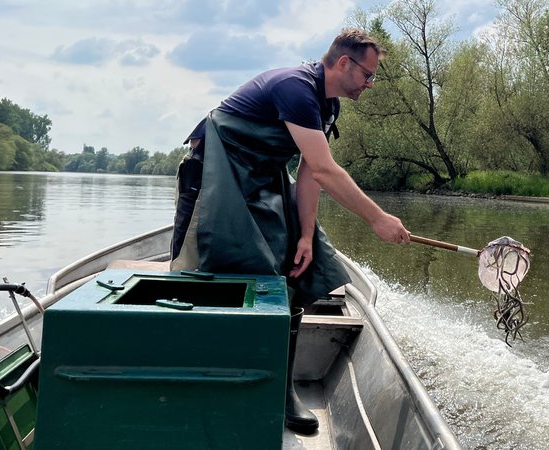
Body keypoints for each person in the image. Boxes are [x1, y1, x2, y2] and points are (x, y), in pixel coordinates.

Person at [169, 28, 410, 435]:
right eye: (368, 75)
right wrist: (376, 218)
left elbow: (311, 173)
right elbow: (327, 170)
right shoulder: (295, 88)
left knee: (294, 269)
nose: (370, 84)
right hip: (212, 179)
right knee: (202, 273)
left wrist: (305, 235)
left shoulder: (328, 106)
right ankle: (195, 382)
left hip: (259, 182)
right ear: (344, 63)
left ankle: (280, 390)